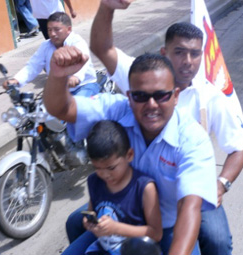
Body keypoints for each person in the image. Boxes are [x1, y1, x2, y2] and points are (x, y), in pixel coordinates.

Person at [89, 0, 243, 254]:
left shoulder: (212, 98)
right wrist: (107, 7)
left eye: (195, 54)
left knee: (218, 241)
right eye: (180, 52)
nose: (188, 61)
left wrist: (221, 184)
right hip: (135, 189)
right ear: (164, 52)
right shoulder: (142, 75)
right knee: (77, 224)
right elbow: (102, 48)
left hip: (185, 192)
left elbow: (239, 149)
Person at [44, 50, 218, 255]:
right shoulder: (117, 109)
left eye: (161, 95)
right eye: (141, 96)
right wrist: (57, 75)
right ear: (129, 96)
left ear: (176, 96)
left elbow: (189, 206)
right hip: (121, 217)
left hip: (168, 226)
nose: (151, 105)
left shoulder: (193, 140)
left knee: (214, 241)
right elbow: (62, 108)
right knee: (75, 223)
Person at [63, 120, 162, 255]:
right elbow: (91, 212)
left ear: (129, 155)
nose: (104, 174)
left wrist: (116, 228)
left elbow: (155, 233)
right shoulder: (94, 181)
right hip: (102, 247)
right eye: (97, 168)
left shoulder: (144, 188)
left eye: (111, 168)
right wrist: (89, 224)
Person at [2, 12, 100, 98]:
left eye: (57, 29)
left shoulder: (77, 42)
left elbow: (83, 62)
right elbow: (33, 66)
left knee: (76, 113)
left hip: (84, 86)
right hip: (59, 90)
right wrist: (16, 80)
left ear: (68, 29)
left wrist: (76, 77)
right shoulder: (46, 45)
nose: (52, 34)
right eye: (49, 30)